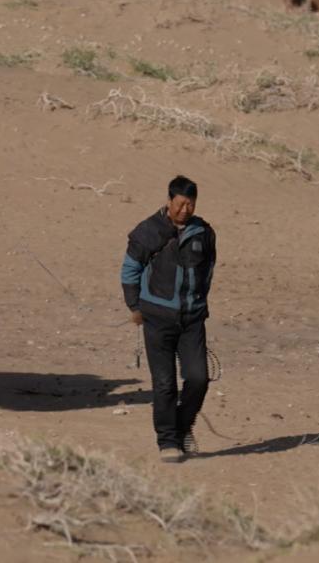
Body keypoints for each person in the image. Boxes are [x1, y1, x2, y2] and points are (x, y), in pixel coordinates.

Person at [120, 175, 217, 461]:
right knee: (164, 384)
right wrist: (135, 307)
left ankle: (183, 426)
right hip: (156, 319)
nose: (186, 209)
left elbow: (207, 273)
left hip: (192, 320)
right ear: (169, 201)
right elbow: (129, 272)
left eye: (191, 204)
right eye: (181, 203)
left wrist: (199, 304)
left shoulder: (204, 233)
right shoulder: (148, 231)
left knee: (199, 378)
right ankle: (168, 442)